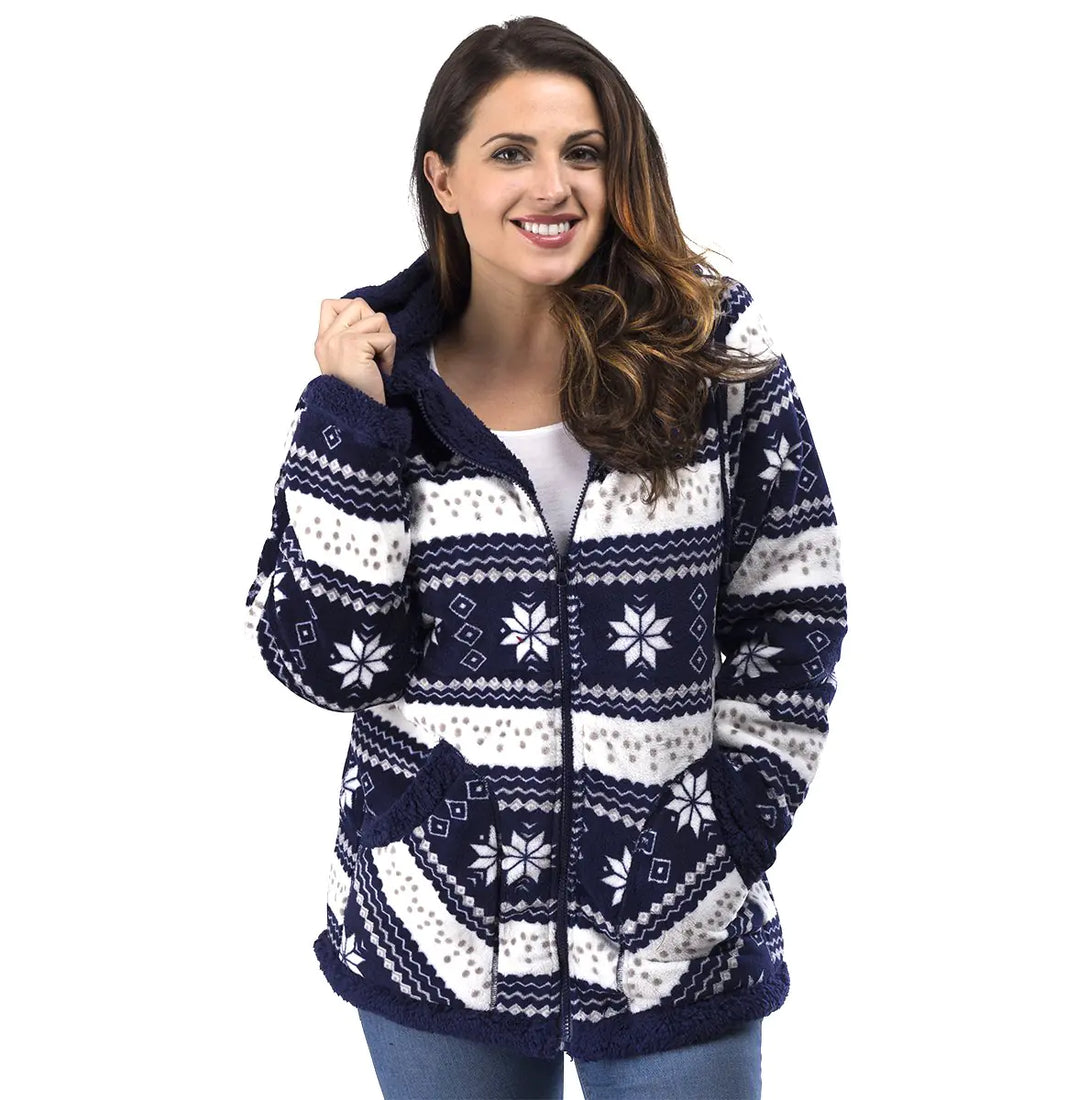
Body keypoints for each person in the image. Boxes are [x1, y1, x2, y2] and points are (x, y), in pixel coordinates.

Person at [243, 15, 847, 1100]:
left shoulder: (711, 357)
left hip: (671, 922)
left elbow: (792, 605)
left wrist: (728, 828)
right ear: (443, 179)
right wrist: (353, 422)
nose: (553, 186)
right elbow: (326, 662)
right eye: (511, 152)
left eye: (584, 152)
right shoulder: (379, 394)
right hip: (435, 916)